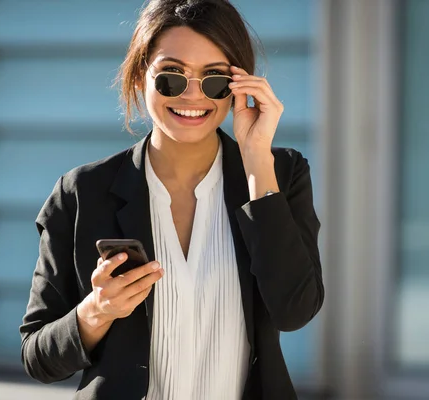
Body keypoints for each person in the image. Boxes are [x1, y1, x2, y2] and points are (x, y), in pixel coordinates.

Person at [19, 0, 324, 398]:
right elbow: (38, 358)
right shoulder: (82, 193)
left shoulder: (281, 174)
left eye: (214, 79)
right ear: (138, 77)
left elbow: (295, 310)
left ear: (239, 86)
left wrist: (256, 163)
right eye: (171, 77)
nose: (193, 96)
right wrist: (98, 310)